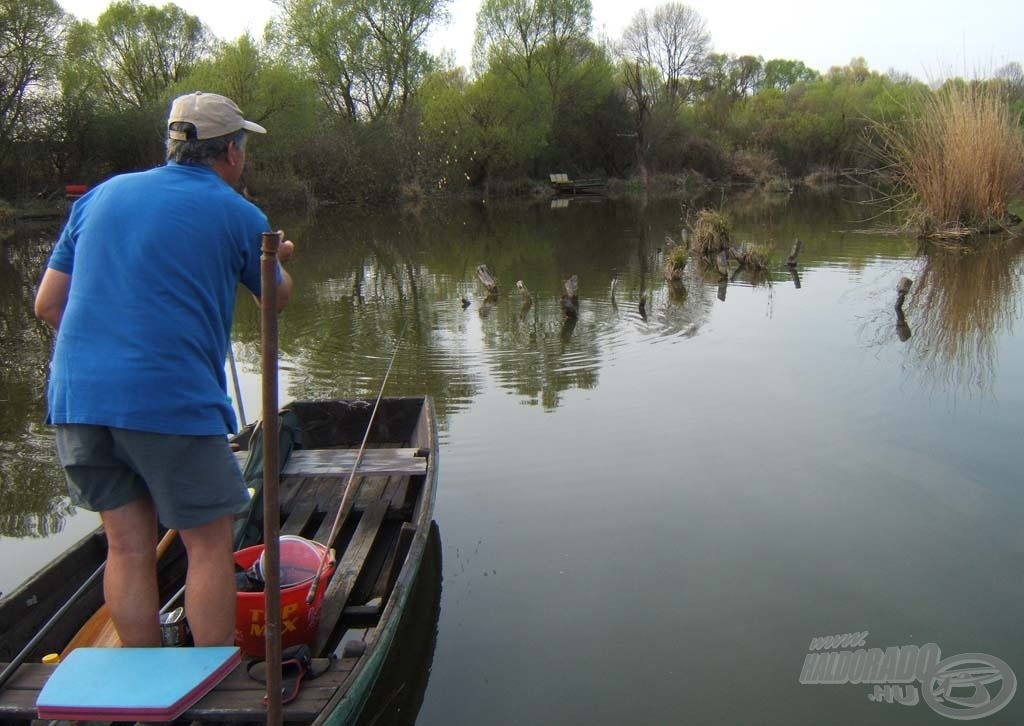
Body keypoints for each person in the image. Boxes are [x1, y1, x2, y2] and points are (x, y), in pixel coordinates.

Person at [34, 91, 294, 647]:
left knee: (127, 547)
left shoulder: (99, 198)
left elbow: (48, 305)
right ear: (232, 152)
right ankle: (213, 685)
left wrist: (108, 358)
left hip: (77, 402)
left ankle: (145, 680)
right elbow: (274, 300)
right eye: (242, 146)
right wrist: (279, 259)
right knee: (207, 543)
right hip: (169, 405)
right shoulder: (239, 214)